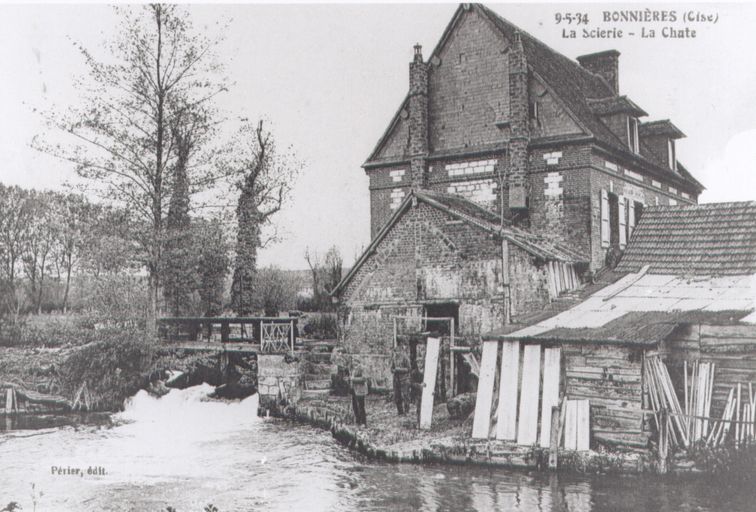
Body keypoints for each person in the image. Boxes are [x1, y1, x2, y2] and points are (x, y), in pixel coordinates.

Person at [390, 345, 411, 415]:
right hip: (396, 379)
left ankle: (407, 411)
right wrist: (393, 370)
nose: (397, 353)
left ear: (401, 351)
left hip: (404, 379)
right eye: (395, 352)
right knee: (397, 395)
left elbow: (409, 369)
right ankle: (400, 411)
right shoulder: (394, 358)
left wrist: (399, 369)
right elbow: (391, 368)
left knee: (405, 395)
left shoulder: (405, 357)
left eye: (398, 351)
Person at [350, 360, 368, 426]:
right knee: (354, 406)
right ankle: (358, 421)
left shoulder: (362, 368)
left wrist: (353, 379)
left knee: (361, 406)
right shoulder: (353, 369)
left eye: (356, 361)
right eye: (353, 361)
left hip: (360, 390)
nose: (354, 363)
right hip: (354, 390)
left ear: (358, 362)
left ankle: (363, 422)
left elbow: (364, 379)